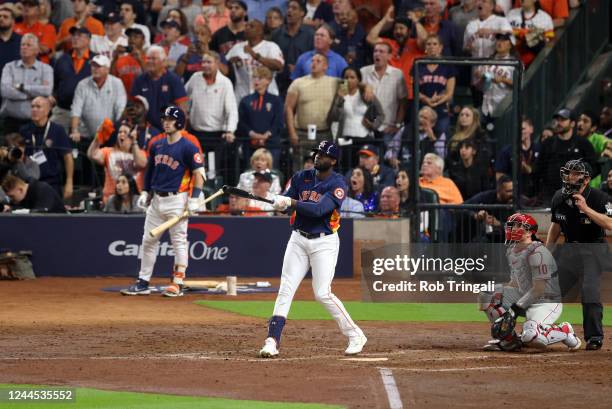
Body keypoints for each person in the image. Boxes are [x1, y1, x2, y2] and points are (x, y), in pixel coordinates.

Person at [258, 140, 367, 357]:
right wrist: (282, 205)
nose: (318, 156)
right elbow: (288, 206)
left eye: (323, 154)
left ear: (333, 160)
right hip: (298, 239)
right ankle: (272, 340)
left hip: (324, 242)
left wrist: (292, 204)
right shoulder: (301, 177)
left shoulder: (338, 184)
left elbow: (319, 210)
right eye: (317, 152)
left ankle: (355, 334)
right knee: (285, 289)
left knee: (322, 293)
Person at [120, 106, 206, 298]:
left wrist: (194, 199)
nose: (166, 122)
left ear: (180, 122)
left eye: (170, 119)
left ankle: (178, 282)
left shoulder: (188, 146)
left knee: (178, 242)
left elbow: (199, 174)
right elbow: (150, 171)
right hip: (157, 199)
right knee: (148, 240)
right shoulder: (156, 144)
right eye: (164, 119)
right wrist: (144, 192)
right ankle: (143, 281)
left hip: (178, 200)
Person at [478, 212, 582, 352]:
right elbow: (515, 282)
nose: (513, 229)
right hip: (524, 296)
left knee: (531, 337)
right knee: (488, 294)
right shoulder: (512, 251)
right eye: (511, 225)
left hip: (546, 302)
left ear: (529, 232)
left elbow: (539, 288)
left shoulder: (538, 252)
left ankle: (564, 330)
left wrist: (514, 310)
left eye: (518, 226)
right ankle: (509, 341)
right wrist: (498, 294)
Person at [546, 159, 612, 351]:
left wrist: (586, 209)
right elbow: (556, 225)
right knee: (551, 291)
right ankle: (538, 328)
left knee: (589, 290)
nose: (570, 177)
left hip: (594, 250)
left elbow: (610, 224)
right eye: (568, 173)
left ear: (586, 179)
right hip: (569, 250)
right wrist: (547, 250)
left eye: (575, 174)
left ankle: (594, 337)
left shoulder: (600, 198)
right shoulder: (559, 197)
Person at [185, 50, 238, 184]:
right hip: (196, 133)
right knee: (195, 168)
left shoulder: (225, 82)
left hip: (217, 135)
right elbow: (184, 98)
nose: (205, 65)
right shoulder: (195, 78)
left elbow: (231, 109)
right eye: (203, 62)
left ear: (217, 64)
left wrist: (230, 130)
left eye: (209, 62)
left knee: (214, 172)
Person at [285, 52, 338, 168]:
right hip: (301, 133)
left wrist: (366, 87)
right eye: (312, 60)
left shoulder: (336, 82)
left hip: (324, 132)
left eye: (318, 61)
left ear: (326, 66)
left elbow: (353, 86)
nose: (314, 63)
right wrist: (292, 132)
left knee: (324, 167)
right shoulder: (298, 82)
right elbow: (288, 107)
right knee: (299, 168)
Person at [326, 66, 385, 170]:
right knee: (346, 168)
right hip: (345, 138)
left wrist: (373, 125)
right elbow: (333, 117)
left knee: (363, 169)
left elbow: (381, 114)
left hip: (364, 137)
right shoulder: (340, 94)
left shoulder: (365, 93)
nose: (348, 80)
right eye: (346, 77)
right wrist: (339, 99)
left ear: (358, 80)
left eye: (352, 77)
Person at [534, 108, 597, 201]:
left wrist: (581, 181)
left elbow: (594, 167)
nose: (559, 123)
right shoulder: (548, 143)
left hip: (577, 195)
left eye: (563, 120)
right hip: (550, 195)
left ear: (572, 123)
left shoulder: (583, 144)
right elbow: (539, 168)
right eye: (557, 120)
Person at [20, 96, 73, 200]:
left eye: (38, 107)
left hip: (51, 183)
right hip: (29, 184)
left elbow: (68, 157)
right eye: (32, 106)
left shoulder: (57, 130)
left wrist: (69, 182)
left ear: (48, 111)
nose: (34, 109)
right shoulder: (24, 130)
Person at [0, 33, 54, 133]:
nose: (24, 47)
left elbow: (46, 90)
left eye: (28, 45)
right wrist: (30, 96)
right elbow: (5, 91)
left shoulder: (46, 69)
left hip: (35, 123)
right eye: (22, 44)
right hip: (9, 122)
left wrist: (22, 87)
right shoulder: (9, 67)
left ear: (37, 50)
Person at [87, 120, 147, 203]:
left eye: (125, 132)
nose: (121, 134)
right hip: (111, 199)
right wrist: (98, 136)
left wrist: (134, 142)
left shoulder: (140, 153)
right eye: (120, 132)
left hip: (134, 201)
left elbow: (142, 163)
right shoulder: (108, 152)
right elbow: (92, 155)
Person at [225, 19, 284, 102]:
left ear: (260, 31)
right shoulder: (237, 48)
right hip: (242, 97)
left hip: (267, 97)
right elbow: (224, 68)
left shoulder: (271, 46)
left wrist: (255, 56)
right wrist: (229, 62)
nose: (247, 28)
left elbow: (278, 66)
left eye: (251, 26)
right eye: (246, 26)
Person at [131, 46, 188, 130]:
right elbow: (134, 107)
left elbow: (182, 108)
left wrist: (181, 132)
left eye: (153, 59)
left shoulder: (173, 80)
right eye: (148, 58)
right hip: (146, 130)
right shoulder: (139, 80)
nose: (150, 61)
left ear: (163, 62)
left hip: (169, 130)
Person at [237, 66, 284, 167]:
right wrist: (252, 134)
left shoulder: (276, 100)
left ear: (268, 81)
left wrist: (266, 135)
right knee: (249, 173)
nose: (256, 80)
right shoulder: (245, 100)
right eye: (254, 77)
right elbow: (241, 122)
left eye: (260, 78)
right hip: (250, 144)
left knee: (271, 173)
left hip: (271, 144)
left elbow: (278, 122)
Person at [269, 0, 314, 96]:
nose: (289, 11)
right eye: (288, 8)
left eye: (294, 8)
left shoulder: (310, 35)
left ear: (302, 13)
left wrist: (300, 69)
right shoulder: (276, 34)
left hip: (303, 84)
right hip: (279, 85)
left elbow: (314, 58)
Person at [417, 34, 456, 137]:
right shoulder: (418, 64)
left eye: (435, 44)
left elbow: (449, 93)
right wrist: (426, 99)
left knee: (441, 140)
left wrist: (437, 100)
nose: (431, 46)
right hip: (422, 110)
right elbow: (414, 90)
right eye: (428, 44)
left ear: (441, 47)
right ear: (425, 47)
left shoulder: (448, 65)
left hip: (441, 110)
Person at [476, 33, 516, 122]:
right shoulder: (489, 59)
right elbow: (478, 74)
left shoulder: (514, 63)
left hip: (503, 105)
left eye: (503, 40)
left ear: (510, 45)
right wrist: (479, 75)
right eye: (498, 40)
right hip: (486, 104)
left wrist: (503, 79)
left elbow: (519, 84)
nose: (499, 43)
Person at [506, 0, 554, 67]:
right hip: (508, 56)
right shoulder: (511, 14)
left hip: (532, 63)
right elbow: (504, 34)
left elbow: (548, 43)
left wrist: (524, 35)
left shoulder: (545, 18)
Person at [13, 0, 56, 64]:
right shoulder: (14, 27)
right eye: (24, 5)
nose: (26, 7)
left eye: (31, 5)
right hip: (16, 65)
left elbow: (44, 49)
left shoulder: (47, 28)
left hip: (39, 66)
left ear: (38, 11)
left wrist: (18, 44)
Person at [1, 173, 65, 213]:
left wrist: (13, 210)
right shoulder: (20, 199)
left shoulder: (42, 190)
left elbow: (41, 213)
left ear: (20, 190)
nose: (10, 199)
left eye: (12, 196)